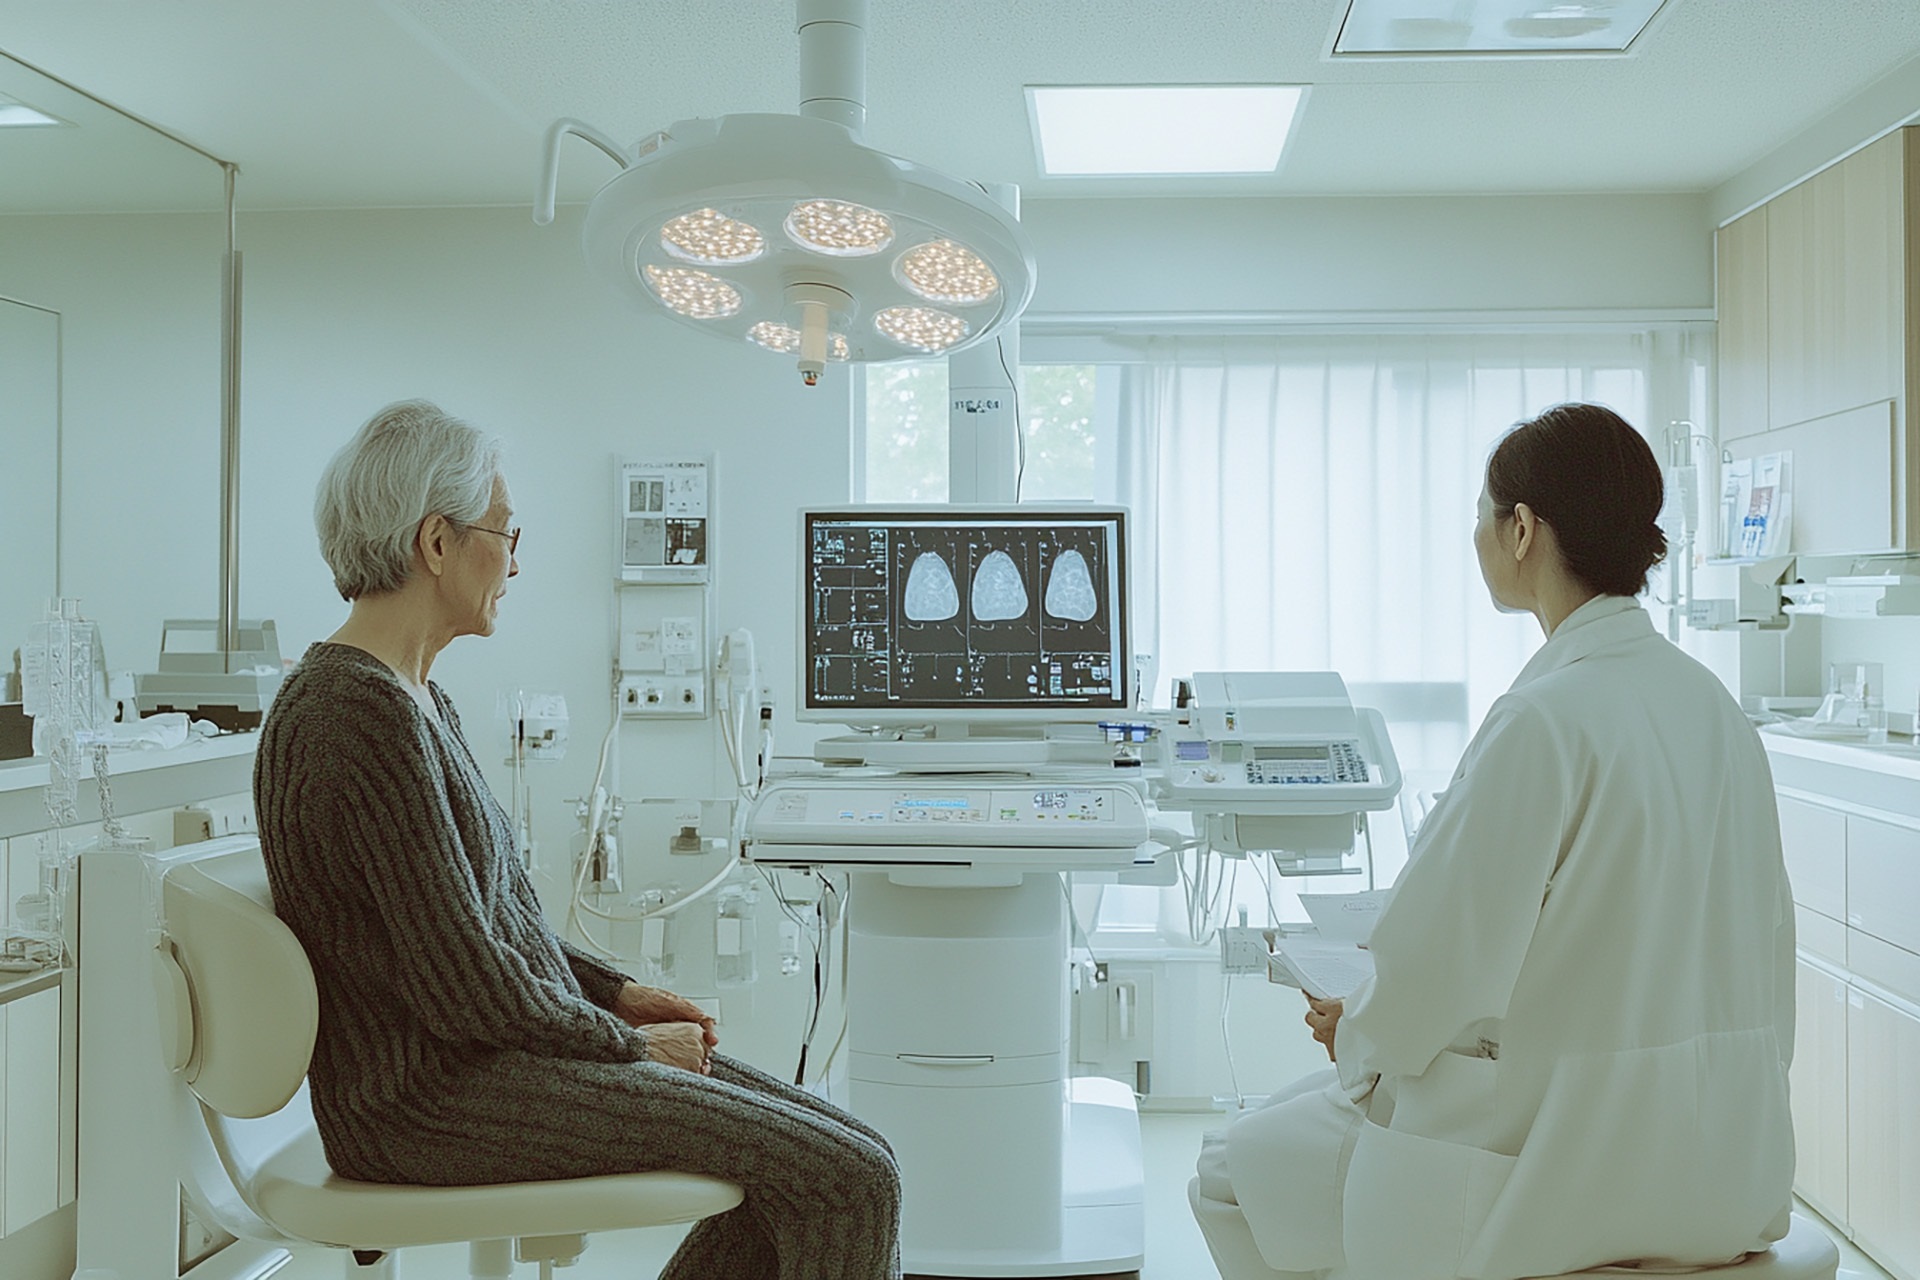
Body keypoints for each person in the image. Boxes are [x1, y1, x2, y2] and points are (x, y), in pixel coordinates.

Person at [255, 400, 901, 1280]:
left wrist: (623, 992)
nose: (515, 561)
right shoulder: (349, 716)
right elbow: (463, 986)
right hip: (425, 1102)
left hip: (483, 1065)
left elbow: (495, 926)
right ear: (436, 544)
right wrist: (626, 1045)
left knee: (855, 1154)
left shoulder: (417, 701)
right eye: (505, 534)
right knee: (846, 1180)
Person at [1190, 403, 1795, 1280]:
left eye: (1483, 513)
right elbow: (1763, 949)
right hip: (1722, 1165)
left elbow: (1435, 968)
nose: (1476, 534)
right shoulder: (1715, 709)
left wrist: (1355, 1027)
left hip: (1553, 1171)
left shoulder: (1543, 720)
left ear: (1521, 529)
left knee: (1226, 1170)